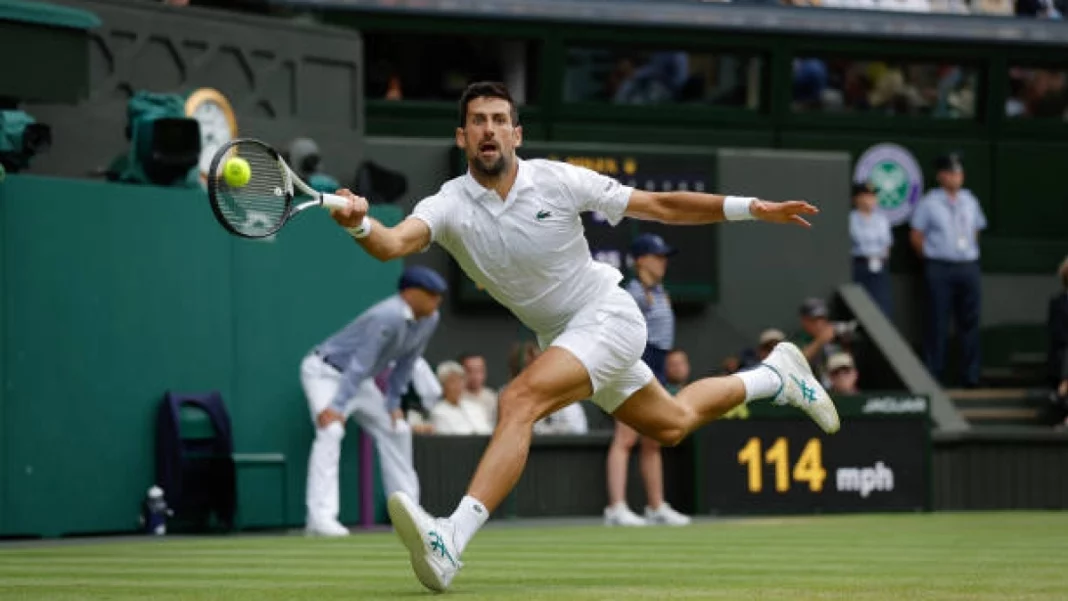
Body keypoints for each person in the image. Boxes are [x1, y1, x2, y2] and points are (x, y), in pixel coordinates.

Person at [328, 81, 839, 591]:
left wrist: (752, 207)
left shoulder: (558, 180)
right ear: (462, 137)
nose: (490, 129)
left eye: (500, 119)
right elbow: (393, 243)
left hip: (608, 317)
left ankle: (450, 541)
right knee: (673, 422)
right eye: (479, 121)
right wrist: (358, 225)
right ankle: (775, 377)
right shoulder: (448, 204)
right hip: (564, 337)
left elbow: (661, 206)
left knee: (518, 400)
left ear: (516, 133)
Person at [299, 266, 446, 537]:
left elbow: (407, 362)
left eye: (439, 296)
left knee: (398, 429)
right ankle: (320, 519)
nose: (437, 301)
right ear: (410, 294)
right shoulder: (387, 315)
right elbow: (360, 362)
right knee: (330, 430)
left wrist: (393, 404)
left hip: (359, 381)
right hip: (324, 374)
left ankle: (409, 515)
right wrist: (337, 406)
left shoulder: (430, 318)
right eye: (431, 295)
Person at [604, 233, 690, 527]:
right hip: (636, 365)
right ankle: (616, 508)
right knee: (625, 438)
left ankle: (655, 506)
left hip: (658, 366)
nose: (663, 262)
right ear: (641, 260)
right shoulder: (633, 293)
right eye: (657, 256)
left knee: (652, 441)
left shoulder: (660, 291)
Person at [910, 152, 987, 387]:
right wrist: (933, 257)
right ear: (942, 176)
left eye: (960, 172)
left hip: (968, 266)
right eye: (952, 173)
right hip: (939, 267)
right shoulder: (929, 202)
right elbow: (916, 236)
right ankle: (934, 376)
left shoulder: (970, 200)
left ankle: (970, 376)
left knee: (969, 322)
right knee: (936, 322)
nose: (957, 177)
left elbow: (976, 230)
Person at [849, 181, 893, 318]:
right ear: (856, 198)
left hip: (879, 266)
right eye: (866, 196)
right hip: (859, 265)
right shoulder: (850, 219)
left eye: (872, 196)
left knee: (882, 305)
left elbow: (886, 245)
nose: (870, 200)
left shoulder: (882, 219)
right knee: (859, 307)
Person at [430, 361, 494, 435]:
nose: (458, 386)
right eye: (452, 382)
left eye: (460, 381)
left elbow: (487, 431)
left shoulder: (476, 407)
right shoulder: (438, 412)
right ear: (443, 386)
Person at [459, 353, 498, 426]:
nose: (475, 376)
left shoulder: (492, 397)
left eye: (479, 370)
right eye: (470, 371)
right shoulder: (456, 398)